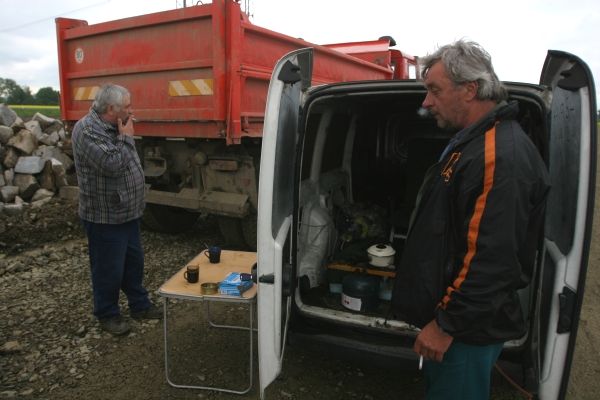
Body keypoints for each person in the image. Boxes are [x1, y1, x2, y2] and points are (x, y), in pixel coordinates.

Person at [391, 40, 550, 399]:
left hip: (465, 332)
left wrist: (446, 326)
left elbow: (491, 261)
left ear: (470, 89)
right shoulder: (472, 142)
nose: (426, 102)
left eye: (434, 90)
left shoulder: (500, 157)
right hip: (459, 323)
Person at [72, 83, 161, 336]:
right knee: (107, 269)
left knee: (134, 263)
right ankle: (107, 314)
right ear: (112, 109)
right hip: (105, 217)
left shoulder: (116, 125)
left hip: (128, 213)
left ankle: (139, 306)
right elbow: (112, 165)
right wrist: (126, 138)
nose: (132, 111)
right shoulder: (87, 130)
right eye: (127, 106)